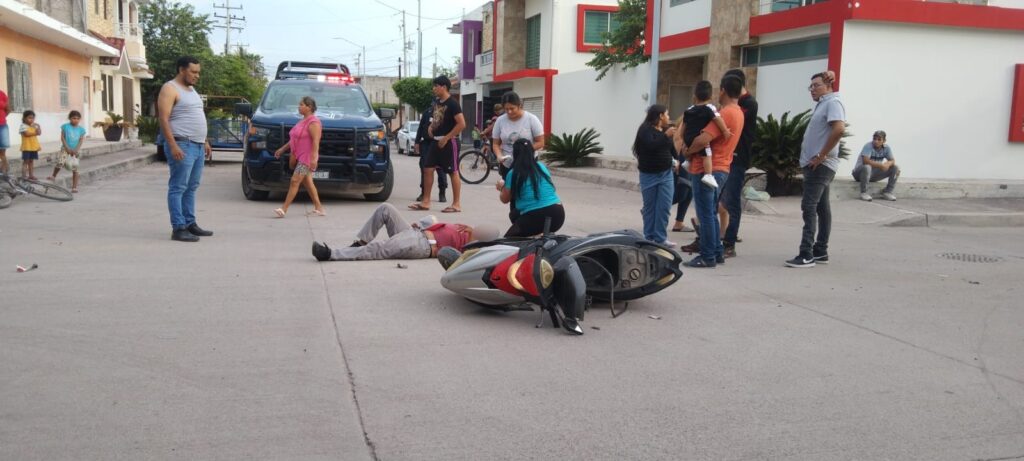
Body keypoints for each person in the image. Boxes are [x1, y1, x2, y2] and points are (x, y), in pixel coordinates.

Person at [680, 75, 746, 268]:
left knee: (706, 214)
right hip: (722, 167)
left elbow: (703, 139)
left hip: (707, 168)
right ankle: (716, 252)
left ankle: (707, 256)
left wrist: (688, 151)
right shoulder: (739, 112)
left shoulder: (725, 113)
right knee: (711, 212)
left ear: (723, 90)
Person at [786, 70, 846, 268]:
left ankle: (806, 253)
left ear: (828, 85)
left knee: (809, 206)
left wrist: (822, 155)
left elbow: (839, 129)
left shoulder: (832, 103)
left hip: (820, 166)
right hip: (815, 164)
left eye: (816, 85)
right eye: (810, 86)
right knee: (821, 207)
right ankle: (820, 251)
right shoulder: (823, 104)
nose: (812, 90)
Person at [311, 203, 499, 261]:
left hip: (421, 245)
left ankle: (330, 254)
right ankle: (359, 243)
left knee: (378, 248)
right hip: (416, 232)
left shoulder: (470, 248)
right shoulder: (468, 230)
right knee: (386, 209)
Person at [158, 55, 214, 243]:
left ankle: (190, 223)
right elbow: (164, 119)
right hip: (182, 144)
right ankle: (178, 227)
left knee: (191, 187)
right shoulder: (169, 88)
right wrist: (172, 144)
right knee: (178, 187)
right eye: (194, 72)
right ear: (182, 70)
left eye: (198, 72)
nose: (197, 75)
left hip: (197, 145)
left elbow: (195, 116)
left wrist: (204, 141)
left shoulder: (191, 90)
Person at [719, 68, 759, 258]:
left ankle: (729, 243)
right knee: (718, 200)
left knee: (732, 201)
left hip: (738, 158)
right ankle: (710, 236)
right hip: (725, 157)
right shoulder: (733, 105)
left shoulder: (748, 104)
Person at [410, 75, 465, 213]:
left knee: (453, 172)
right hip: (435, 141)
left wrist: (446, 138)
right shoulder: (436, 103)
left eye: (436, 86)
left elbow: (461, 124)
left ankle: (456, 204)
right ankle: (426, 201)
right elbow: (436, 119)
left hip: (449, 142)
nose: (434, 88)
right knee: (428, 168)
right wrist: (430, 127)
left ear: (444, 87)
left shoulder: (453, 103)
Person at [496, 138, 564, 237]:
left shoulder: (514, 172)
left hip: (536, 215)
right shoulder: (541, 167)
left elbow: (505, 199)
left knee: (508, 243)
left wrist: (502, 187)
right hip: (558, 213)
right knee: (516, 215)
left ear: (515, 153)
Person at [272, 96, 326, 218]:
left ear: (309, 107)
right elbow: (294, 139)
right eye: (300, 104)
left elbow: (316, 142)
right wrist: (282, 149)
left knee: (295, 180)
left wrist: (313, 159)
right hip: (300, 156)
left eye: (302, 105)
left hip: (307, 158)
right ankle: (319, 208)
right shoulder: (301, 121)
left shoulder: (314, 122)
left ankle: (284, 209)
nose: (299, 107)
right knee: (308, 183)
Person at [633, 104, 678, 246]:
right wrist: (666, 136)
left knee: (664, 206)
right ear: (660, 116)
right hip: (649, 174)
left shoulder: (665, 130)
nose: (669, 117)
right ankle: (649, 237)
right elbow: (650, 146)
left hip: (666, 173)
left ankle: (660, 237)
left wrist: (676, 161)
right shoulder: (645, 130)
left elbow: (670, 148)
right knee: (650, 207)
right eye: (667, 114)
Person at [679, 81, 732, 190]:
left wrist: (684, 139)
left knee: (692, 149)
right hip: (699, 137)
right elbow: (718, 119)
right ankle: (708, 175)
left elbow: (682, 128)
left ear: (695, 96)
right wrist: (725, 131)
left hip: (688, 137)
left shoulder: (688, 110)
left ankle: (688, 161)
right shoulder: (710, 108)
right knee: (707, 155)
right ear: (711, 96)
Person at [490, 91, 545, 164]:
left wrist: (525, 151)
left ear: (519, 106)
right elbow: (495, 144)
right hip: (507, 163)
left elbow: (540, 142)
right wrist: (499, 155)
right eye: (506, 109)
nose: (509, 111)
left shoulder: (531, 119)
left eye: (512, 108)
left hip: (528, 163)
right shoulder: (500, 120)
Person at [415, 99, 448, 203]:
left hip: (439, 143)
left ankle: (442, 193)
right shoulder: (427, 112)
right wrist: (417, 142)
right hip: (426, 144)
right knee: (425, 168)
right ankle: (424, 192)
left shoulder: (445, 113)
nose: (434, 107)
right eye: (433, 104)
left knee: (441, 169)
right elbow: (421, 127)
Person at [852, 130, 899, 201]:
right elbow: (865, 161)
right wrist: (881, 165)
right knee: (867, 167)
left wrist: (887, 164)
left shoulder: (886, 148)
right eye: (874, 139)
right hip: (859, 174)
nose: (876, 141)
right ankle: (864, 193)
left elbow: (892, 160)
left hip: (873, 175)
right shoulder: (868, 146)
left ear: (884, 141)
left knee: (895, 168)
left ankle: (887, 192)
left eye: (879, 139)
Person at [48, 110, 87, 192]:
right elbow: (62, 138)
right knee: (60, 163)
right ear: (70, 118)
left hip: (76, 150)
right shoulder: (65, 127)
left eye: (77, 118)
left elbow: (81, 140)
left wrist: (76, 149)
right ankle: (53, 176)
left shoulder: (81, 130)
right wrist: (67, 148)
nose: (76, 120)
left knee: (75, 168)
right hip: (65, 149)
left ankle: (74, 187)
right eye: (73, 118)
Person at [18, 110, 41, 180]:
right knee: (26, 161)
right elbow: (26, 134)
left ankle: (31, 175)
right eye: (29, 118)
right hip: (27, 147)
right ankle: (24, 176)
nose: (32, 119)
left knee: (31, 161)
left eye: (33, 118)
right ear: (24, 118)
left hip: (33, 147)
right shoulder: (23, 126)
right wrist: (35, 133)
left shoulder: (33, 126)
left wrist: (38, 127)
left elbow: (39, 133)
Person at [0, 89, 9, 174]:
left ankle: (4, 171)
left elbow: (8, 109)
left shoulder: (1, 94)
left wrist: (2, 117)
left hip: (2, 125)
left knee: (2, 151)